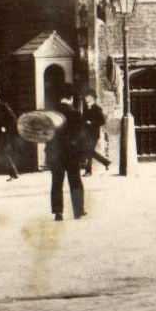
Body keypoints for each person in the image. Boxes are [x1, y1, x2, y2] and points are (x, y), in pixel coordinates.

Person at [44, 92, 86, 220]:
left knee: (56, 182)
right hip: (71, 153)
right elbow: (81, 136)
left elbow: (46, 134)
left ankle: (58, 212)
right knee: (75, 181)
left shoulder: (51, 115)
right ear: (71, 98)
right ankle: (78, 211)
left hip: (55, 153)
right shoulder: (76, 114)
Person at [80, 90, 107, 176]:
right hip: (86, 133)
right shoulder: (85, 108)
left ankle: (88, 171)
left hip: (94, 134)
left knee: (89, 151)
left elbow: (102, 121)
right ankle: (105, 162)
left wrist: (91, 123)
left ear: (93, 98)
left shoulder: (97, 108)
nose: (86, 99)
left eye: (88, 97)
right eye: (85, 97)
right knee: (89, 151)